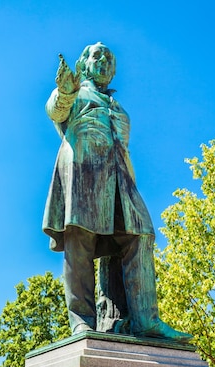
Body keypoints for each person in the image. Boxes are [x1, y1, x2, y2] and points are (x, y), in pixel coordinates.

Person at [43, 42, 191, 343]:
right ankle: (81, 322)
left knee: (141, 236)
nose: (106, 62)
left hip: (121, 182)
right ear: (84, 64)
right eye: (98, 56)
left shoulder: (118, 107)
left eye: (110, 59)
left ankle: (144, 320)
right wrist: (66, 91)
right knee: (80, 242)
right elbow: (55, 110)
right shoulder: (75, 94)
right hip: (83, 174)